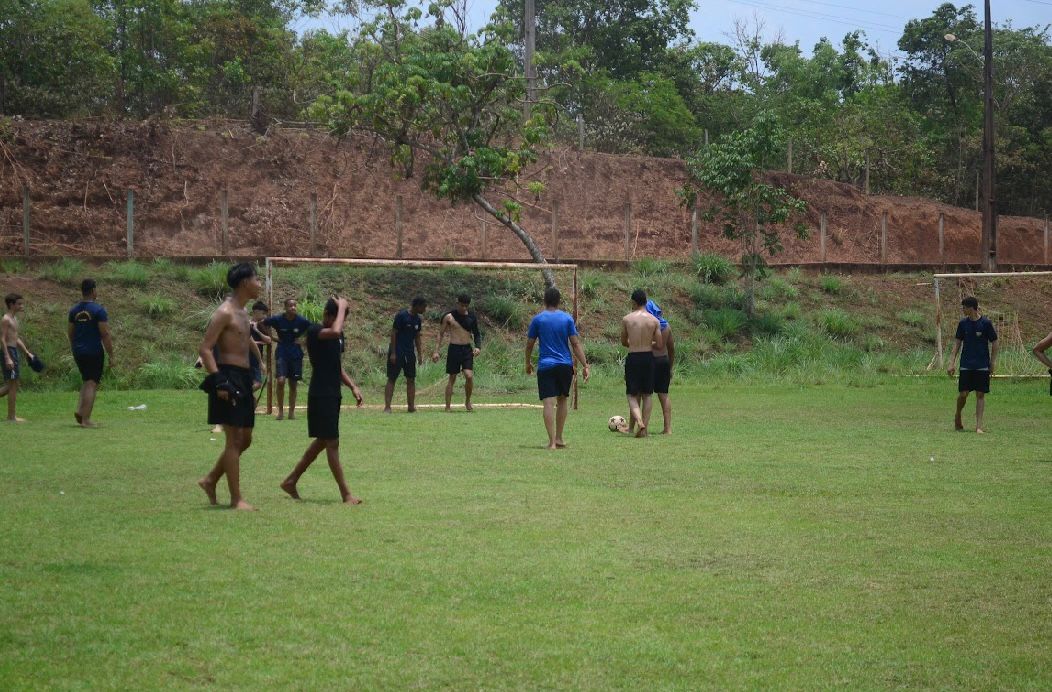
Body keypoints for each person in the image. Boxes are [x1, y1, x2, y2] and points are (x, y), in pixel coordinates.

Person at [280, 297, 364, 504]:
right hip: (321, 394)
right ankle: (346, 494)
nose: (340, 323)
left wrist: (352, 386)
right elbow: (334, 331)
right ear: (326, 315)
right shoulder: (315, 331)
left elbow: (337, 366)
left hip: (333, 393)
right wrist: (342, 307)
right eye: (337, 317)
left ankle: (290, 481)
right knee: (332, 442)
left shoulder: (337, 335)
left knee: (321, 442)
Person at [197, 263, 265, 510]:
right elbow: (205, 348)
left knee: (245, 439)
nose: (260, 284)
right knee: (234, 439)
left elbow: (246, 340)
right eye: (257, 280)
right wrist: (219, 380)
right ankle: (236, 500)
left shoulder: (244, 314)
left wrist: (260, 361)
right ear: (244, 282)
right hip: (227, 376)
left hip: (244, 378)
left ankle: (211, 479)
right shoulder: (224, 312)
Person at [525, 287, 590, 450]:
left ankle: (552, 442)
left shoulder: (538, 319)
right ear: (559, 301)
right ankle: (560, 438)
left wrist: (527, 362)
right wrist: (585, 364)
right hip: (564, 365)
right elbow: (575, 344)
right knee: (562, 400)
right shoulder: (567, 319)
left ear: (545, 300)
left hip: (546, 365)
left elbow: (530, 344)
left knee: (548, 402)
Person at [67, 279, 115, 428]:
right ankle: (86, 420)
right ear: (94, 290)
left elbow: (70, 333)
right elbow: (105, 334)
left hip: (78, 350)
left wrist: (76, 347)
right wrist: (111, 354)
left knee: (87, 380)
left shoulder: (74, 311)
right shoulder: (98, 310)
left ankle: (80, 411)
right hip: (93, 351)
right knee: (92, 382)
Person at [947, 296, 998, 434]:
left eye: (964, 307)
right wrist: (951, 363)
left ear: (971, 308)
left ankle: (979, 426)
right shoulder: (963, 324)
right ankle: (958, 414)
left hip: (982, 364)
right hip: (966, 364)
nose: (962, 310)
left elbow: (995, 342)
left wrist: (992, 362)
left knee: (980, 394)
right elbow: (957, 344)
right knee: (963, 394)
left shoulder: (986, 323)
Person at [620, 289, 664, 438]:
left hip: (633, 357)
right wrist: (647, 343)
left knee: (632, 395)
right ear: (646, 301)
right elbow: (659, 344)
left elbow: (623, 342)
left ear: (633, 302)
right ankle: (644, 428)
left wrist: (634, 343)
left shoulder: (627, 319)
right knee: (647, 395)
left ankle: (639, 420)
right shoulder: (654, 321)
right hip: (648, 358)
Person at [433, 294, 482, 411]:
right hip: (454, 349)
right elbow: (440, 334)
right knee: (452, 377)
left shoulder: (471, 317)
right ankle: (448, 406)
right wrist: (436, 351)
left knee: (469, 376)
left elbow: (477, 333)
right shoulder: (448, 317)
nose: (464, 308)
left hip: (467, 349)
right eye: (462, 305)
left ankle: (467, 401)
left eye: (466, 306)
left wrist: (478, 347)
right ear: (457, 303)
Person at [264, 298, 311, 420]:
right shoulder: (278, 319)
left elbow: (313, 330)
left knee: (293, 384)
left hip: (295, 354)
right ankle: (280, 411)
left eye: (295, 305)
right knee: (280, 381)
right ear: (285, 307)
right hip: (282, 353)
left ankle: (291, 412)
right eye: (290, 305)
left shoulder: (301, 321)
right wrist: (271, 337)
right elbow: (263, 323)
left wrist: (303, 341)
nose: (293, 307)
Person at [384, 297, 427, 413]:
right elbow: (393, 333)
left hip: (409, 353)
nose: (425, 309)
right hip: (397, 352)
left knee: (411, 379)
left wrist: (419, 354)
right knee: (392, 378)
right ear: (417, 306)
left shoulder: (418, 319)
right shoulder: (401, 316)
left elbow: (417, 337)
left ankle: (411, 407)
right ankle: (387, 407)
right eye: (423, 306)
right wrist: (393, 353)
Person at [0, 293, 35, 423]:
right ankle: (11, 417)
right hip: (8, 351)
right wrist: (7, 357)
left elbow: (16, 338)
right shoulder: (6, 319)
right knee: (12, 384)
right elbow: (2, 339)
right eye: (19, 304)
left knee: (13, 384)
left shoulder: (14, 319)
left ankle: (11, 416)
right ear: (11, 304)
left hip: (13, 351)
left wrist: (26, 352)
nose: (22, 306)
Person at [644, 299, 674, 435]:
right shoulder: (666, 326)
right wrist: (670, 367)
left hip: (649, 361)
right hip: (663, 361)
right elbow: (671, 348)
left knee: (644, 394)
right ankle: (668, 428)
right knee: (664, 394)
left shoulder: (647, 325)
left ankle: (643, 426)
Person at [249, 301, 272, 392]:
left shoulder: (262, 325)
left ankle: (243, 397)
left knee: (257, 383)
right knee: (255, 383)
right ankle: (241, 396)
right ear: (255, 312)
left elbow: (269, 340)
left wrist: (256, 330)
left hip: (256, 358)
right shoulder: (245, 323)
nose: (265, 316)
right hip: (246, 357)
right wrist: (257, 342)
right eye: (263, 313)